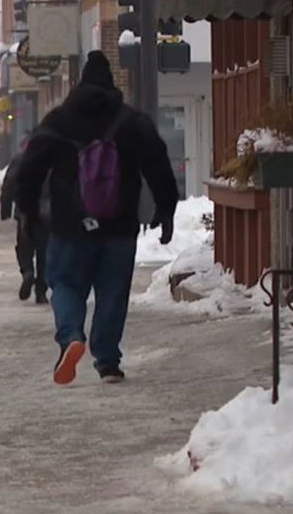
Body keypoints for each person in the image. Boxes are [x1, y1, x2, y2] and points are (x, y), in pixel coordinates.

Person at [15, 51, 179, 385]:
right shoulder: (132, 122)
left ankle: (71, 335)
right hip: (118, 227)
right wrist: (166, 209)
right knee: (113, 292)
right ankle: (107, 362)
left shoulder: (57, 121)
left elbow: (28, 170)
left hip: (69, 226)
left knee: (65, 284)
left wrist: (29, 214)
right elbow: (159, 166)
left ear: (79, 84)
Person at [0, 136, 49, 304]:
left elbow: (9, 183)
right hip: (49, 214)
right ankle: (41, 289)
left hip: (26, 212)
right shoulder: (53, 159)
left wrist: (5, 208)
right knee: (45, 252)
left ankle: (27, 271)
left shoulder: (21, 158)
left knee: (24, 246)